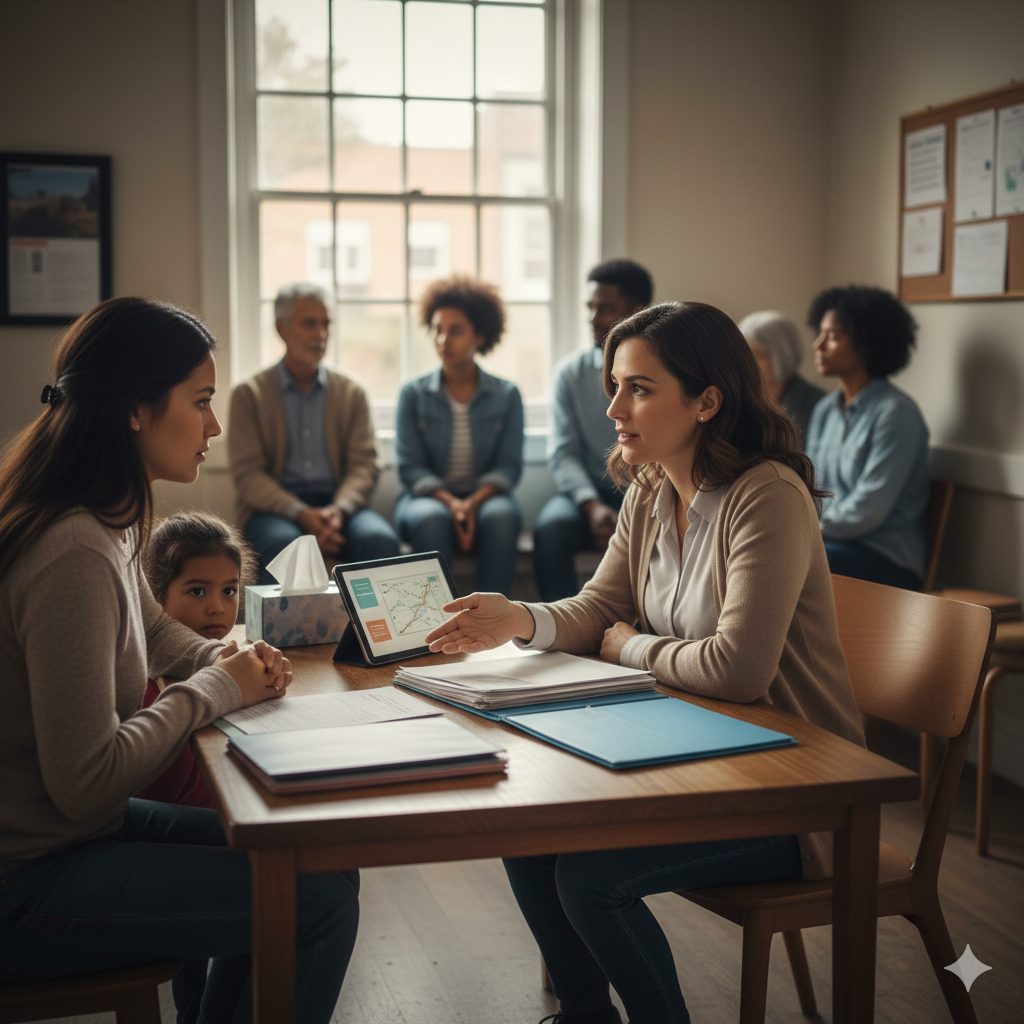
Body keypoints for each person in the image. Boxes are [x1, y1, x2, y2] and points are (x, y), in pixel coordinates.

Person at [423, 301, 864, 1024]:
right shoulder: (653, 487)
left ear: (706, 402)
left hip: (796, 792)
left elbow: (737, 671)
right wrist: (521, 619)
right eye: (615, 386)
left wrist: (630, 648)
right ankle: (585, 1015)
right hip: (700, 757)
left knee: (590, 881)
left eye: (639, 388)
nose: (614, 408)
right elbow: (601, 607)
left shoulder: (769, 496)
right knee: (526, 837)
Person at [0, 297, 359, 1024]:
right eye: (200, 401)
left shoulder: (108, 516)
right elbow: (86, 784)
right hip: (29, 879)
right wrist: (218, 687)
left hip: (71, 839)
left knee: (317, 857)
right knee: (318, 903)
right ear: (137, 409)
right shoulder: (72, 551)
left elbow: (158, 633)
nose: (214, 426)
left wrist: (225, 653)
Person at [229, 282, 399, 584]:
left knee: (379, 539)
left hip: (340, 506)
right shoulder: (249, 394)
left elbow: (364, 465)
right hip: (275, 511)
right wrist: (301, 513)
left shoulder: (353, 392)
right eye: (309, 323)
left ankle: (373, 620)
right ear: (281, 328)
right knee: (285, 546)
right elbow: (248, 475)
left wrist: (338, 511)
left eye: (326, 324)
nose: (320, 334)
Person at [394, 276, 524, 594]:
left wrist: (473, 504)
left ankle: (491, 618)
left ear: (479, 335)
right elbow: (410, 467)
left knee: (502, 518)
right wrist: (453, 504)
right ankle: (433, 618)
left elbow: (508, 466)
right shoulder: (413, 394)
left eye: (455, 331)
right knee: (430, 518)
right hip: (427, 498)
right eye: (437, 329)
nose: (443, 340)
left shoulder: (507, 395)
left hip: (487, 497)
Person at [533, 258, 653, 601]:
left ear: (636, 311)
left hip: (647, 488)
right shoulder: (570, 374)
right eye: (590, 307)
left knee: (655, 526)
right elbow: (564, 452)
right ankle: (559, 625)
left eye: (605, 308)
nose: (592, 318)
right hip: (587, 493)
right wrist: (591, 505)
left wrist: (633, 502)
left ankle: (640, 624)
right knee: (550, 529)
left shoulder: (660, 372)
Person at [805, 285, 929, 590]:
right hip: (827, 541)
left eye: (833, 337)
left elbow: (869, 509)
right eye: (820, 334)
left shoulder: (896, 414)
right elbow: (810, 487)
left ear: (867, 344)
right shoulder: (825, 409)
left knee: (790, 561)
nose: (818, 345)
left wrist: (809, 529)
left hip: (885, 555)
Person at [136, 511, 258, 809]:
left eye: (229, 590)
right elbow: (166, 793)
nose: (217, 607)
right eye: (197, 591)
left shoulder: (232, 655)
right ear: (154, 595)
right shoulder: (153, 686)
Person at [738, 309, 824, 445]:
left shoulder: (816, 405)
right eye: (743, 355)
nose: (746, 363)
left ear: (782, 355)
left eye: (756, 355)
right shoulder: (739, 400)